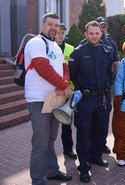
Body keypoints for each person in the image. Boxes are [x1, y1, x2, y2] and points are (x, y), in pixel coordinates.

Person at [24, 12, 73, 184]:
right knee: (40, 143)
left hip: (54, 98)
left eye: (56, 25)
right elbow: (42, 68)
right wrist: (64, 86)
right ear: (43, 25)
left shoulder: (55, 46)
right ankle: (37, 180)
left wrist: (63, 83)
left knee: (50, 139)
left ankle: (52, 171)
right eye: (50, 24)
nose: (54, 28)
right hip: (38, 99)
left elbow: (64, 68)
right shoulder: (36, 42)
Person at [68, 20, 115, 183]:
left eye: (97, 33)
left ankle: (95, 157)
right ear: (86, 34)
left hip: (103, 98)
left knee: (101, 130)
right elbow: (72, 75)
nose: (94, 36)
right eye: (91, 33)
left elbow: (110, 73)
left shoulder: (107, 51)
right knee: (84, 133)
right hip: (86, 99)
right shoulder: (78, 53)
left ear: (101, 33)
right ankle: (84, 167)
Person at [96, 16, 121, 154]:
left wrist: (119, 81)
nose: (102, 29)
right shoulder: (86, 43)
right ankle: (92, 144)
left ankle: (102, 143)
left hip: (106, 88)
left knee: (104, 118)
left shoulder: (111, 43)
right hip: (92, 89)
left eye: (104, 26)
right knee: (92, 119)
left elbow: (116, 63)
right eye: (100, 26)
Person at [55, 23, 77, 159]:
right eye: (58, 32)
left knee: (66, 123)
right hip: (52, 92)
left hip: (68, 92)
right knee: (49, 126)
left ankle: (68, 149)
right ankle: (49, 153)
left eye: (62, 32)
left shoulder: (71, 48)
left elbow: (74, 70)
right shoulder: (47, 47)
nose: (60, 35)